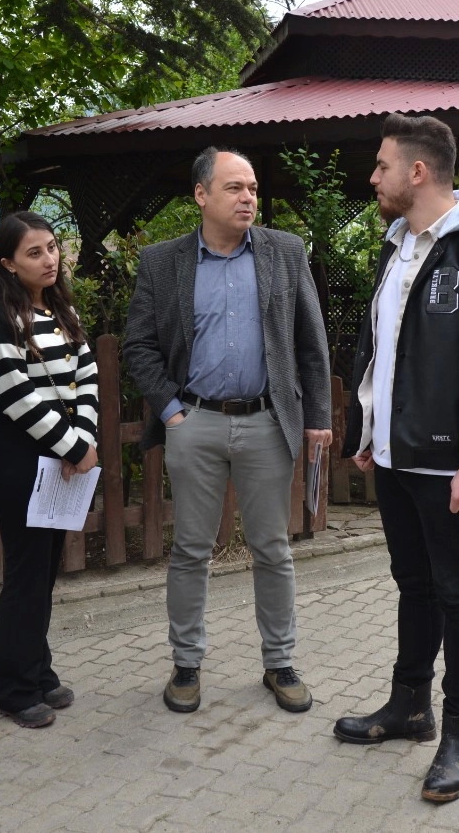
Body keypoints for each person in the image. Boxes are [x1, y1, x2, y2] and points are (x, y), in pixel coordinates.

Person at [335, 113, 459, 804]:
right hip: (396, 459)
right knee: (413, 586)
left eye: (382, 165)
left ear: (417, 172)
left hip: (452, 465)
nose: (373, 177)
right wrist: (369, 431)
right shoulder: (397, 247)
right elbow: (382, 352)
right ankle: (409, 706)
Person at [123, 147, 332, 716]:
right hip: (194, 422)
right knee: (191, 550)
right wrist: (172, 412)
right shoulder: (162, 262)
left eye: (253, 188)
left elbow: (311, 343)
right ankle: (186, 664)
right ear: (201, 195)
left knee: (273, 548)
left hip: (267, 422)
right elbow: (138, 345)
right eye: (235, 187)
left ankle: (280, 662)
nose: (248, 198)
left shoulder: (285, 251)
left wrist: (318, 418)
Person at [0, 212, 98, 730]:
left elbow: (87, 376)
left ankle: (37, 670)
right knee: (26, 575)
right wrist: (72, 446)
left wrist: (83, 440)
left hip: (61, 457)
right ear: (7, 263)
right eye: (34, 252)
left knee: (44, 573)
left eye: (51, 247)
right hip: (19, 460)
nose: (49, 259)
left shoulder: (62, 309)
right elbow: (14, 395)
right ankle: (13, 688)